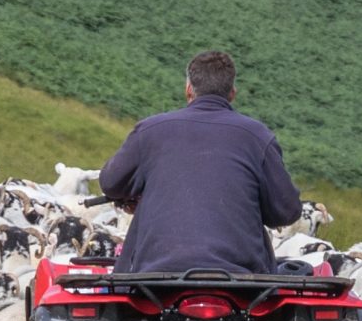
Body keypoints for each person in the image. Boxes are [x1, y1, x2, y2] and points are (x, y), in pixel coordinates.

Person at [98, 50, 302, 275]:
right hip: (243, 280)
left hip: (154, 277)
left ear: (188, 90)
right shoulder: (259, 136)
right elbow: (287, 211)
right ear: (232, 93)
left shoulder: (150, 130)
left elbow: (110, 183)